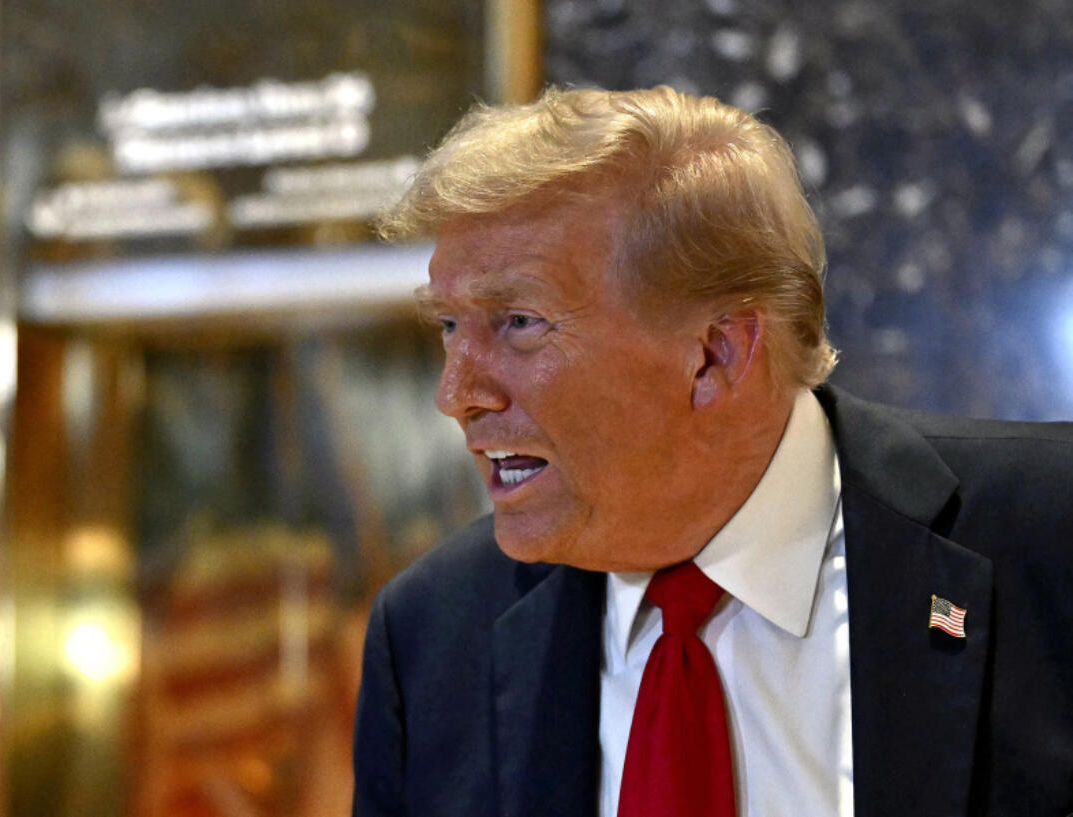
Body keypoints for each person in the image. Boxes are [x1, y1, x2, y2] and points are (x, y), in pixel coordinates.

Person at [351, 85, 1073, 817]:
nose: (456, 392)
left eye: (518, 322)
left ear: (715, 354)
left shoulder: (1050, 537)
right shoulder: (430, 638)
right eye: (448, 324)